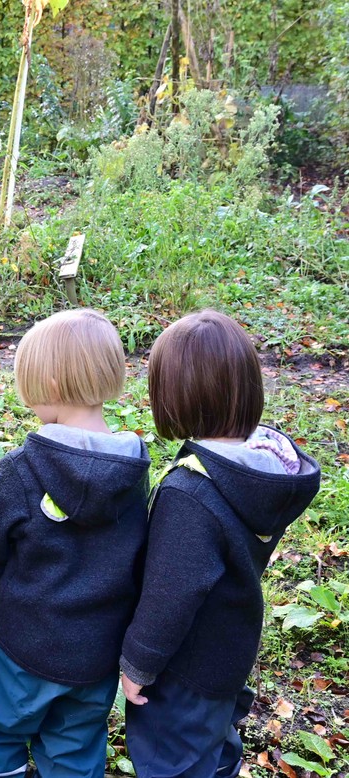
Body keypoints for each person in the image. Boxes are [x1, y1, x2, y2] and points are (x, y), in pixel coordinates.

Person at [119, 310, 321, 778]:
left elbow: (173, 593)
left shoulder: (190, 492)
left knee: (174, 762)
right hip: (229, 649)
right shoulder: (265, 469)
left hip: (186, 669)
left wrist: (138, 664)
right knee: (215, 746)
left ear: (175, 397)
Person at [0, 309, 151, 778]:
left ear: (47, 382)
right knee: (75, 747)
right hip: (98, 652)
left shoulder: (24, 468)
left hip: (22, 642)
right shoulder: (134, 469)